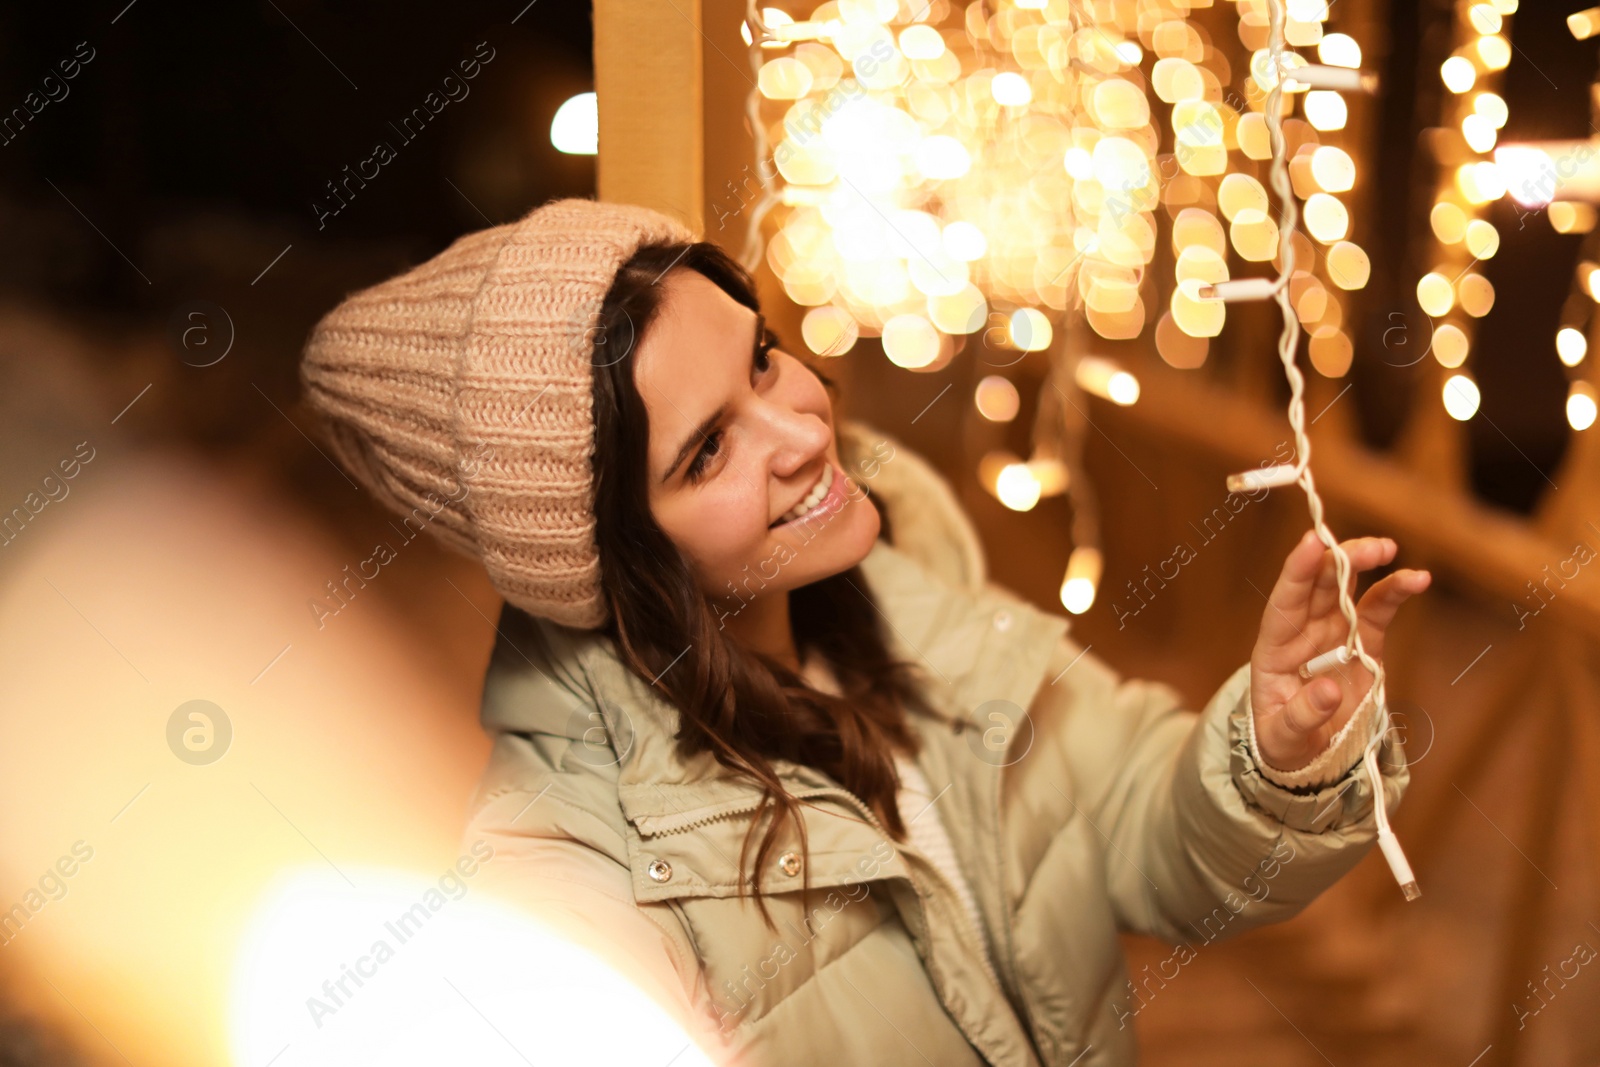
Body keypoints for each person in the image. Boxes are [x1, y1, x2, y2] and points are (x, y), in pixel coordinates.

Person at [299, 196, 1432, 1066]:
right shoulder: (575, 859)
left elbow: (1147, 832)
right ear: (615, 559)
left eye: (759, 357)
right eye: (706, 451)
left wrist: (1273, 752)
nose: (795, 427)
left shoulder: (918, 602)